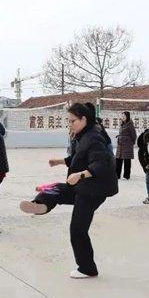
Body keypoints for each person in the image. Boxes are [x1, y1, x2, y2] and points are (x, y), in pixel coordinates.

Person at [19, 102, 118, 278]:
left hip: (93, 191)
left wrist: (81, 174)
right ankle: (40, 204)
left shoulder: (94, 137)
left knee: (78, 229)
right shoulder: (84, 135)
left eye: (72, 121)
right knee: (55, 188)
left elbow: (102, 163)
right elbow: (79, 157)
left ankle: (87, 268)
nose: (70, 124)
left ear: (83, 119)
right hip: (83, 187)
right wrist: (60, 161)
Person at [115, 111, 137, 180]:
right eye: (122, 116)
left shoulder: (130, 125)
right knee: (118, 159)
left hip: (127, 145)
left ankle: (126, 175)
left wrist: (131, 142)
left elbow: (134, 135)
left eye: (124, 116)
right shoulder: (121, 124)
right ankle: (117, 175)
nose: (122, 117)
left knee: (127, 160)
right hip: (120, 145)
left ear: (127, 116)